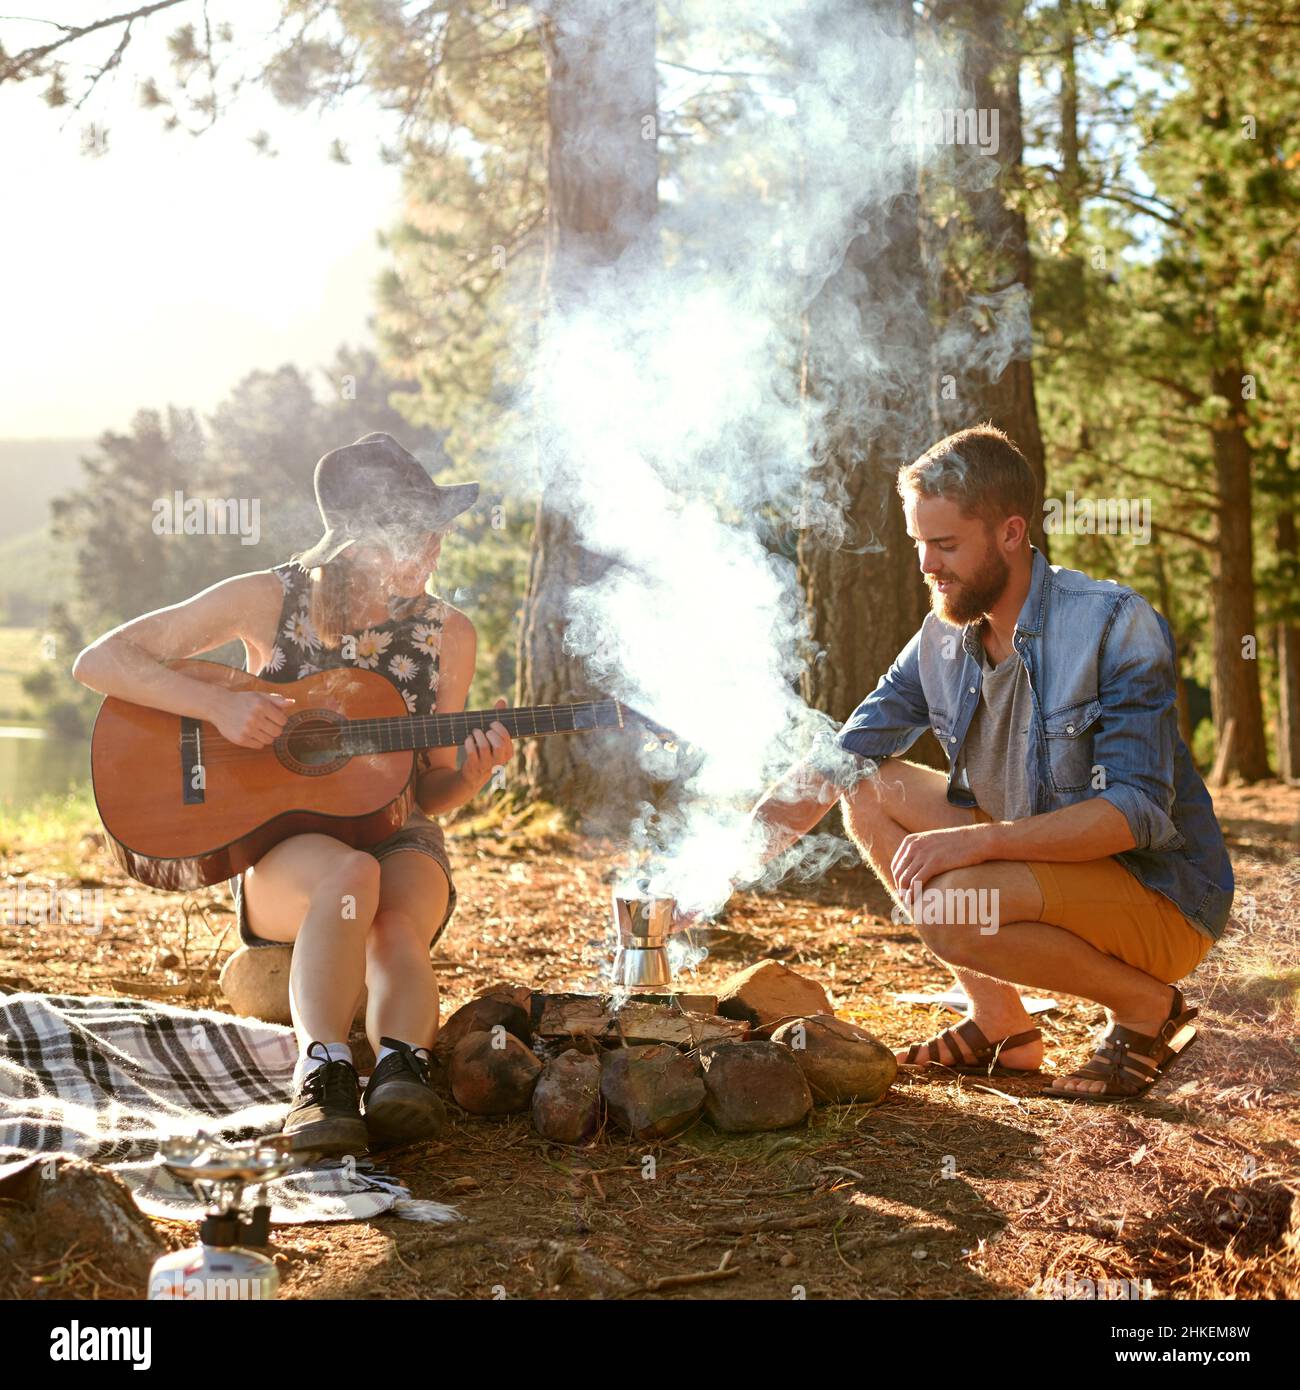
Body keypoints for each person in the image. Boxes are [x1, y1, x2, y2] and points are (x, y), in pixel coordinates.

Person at [739, 424, 1234, 1102]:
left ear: (1010, 532)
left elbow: (1135, 813)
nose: (925, 565)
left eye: (944, 545)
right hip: (1043, 858)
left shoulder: (1115, 625)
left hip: (1157, 895)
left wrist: (977, 842)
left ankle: (1148, 1011)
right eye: (919, 543)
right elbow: (839, 757)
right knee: (867, 785)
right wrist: (717, 869)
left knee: (951, 907)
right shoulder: (941, 639)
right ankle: (1002, 1024)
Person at [72, 432, 514, 1153]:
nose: (437, 546)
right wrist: (217, 707)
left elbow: (430, 792)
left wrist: (472, 772)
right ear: (366, 541)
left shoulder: (447, 635)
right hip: (286, 848)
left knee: (393, 917)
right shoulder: (267, 599)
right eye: (420, 530)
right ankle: (323, 1077)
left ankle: (404, 1070)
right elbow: (102, 660)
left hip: (395, 833)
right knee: (352, 876)